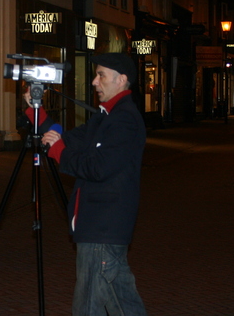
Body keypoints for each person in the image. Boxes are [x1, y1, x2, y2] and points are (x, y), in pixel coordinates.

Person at [29, 53, 147, 316]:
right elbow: (66, 139)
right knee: (123, 303)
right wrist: (35, 111)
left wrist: (59, 151)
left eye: (101, 75)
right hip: (99, 228)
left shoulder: (124, 119)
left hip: (103, 228)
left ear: (122, 79)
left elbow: (98, 167)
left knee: (89, 306)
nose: (95, 81)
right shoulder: (107, 116)